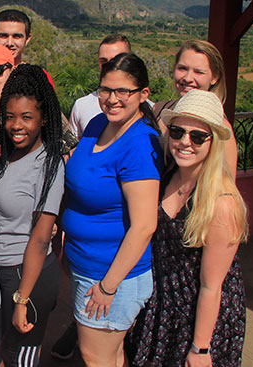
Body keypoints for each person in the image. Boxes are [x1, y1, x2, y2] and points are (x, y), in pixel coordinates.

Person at [127, 89, 248, 366]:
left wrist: (201, 348)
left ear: (213, 143)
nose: (185, 142)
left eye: (197, 136)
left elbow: (211, 286)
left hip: (199, 317)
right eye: (178, 132)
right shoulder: (168, 175)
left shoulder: (221, 203)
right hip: (164, 305)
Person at [62, 53, 162, 366]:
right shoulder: (97, 124)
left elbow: (144, 225)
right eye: (106, 90)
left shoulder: (139, 145)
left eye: (123, 92)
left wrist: (108, 286)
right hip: (86, 264)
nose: (112, 99)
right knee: (112, 354)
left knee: (95, 357)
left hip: (111, 276)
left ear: (143, 95)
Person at [0, 64, 65, 367]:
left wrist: (22, 300)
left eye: (27, 117)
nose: (17, 125)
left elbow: (41, 238)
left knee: (22, 358)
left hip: (28, 276)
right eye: (10, 117)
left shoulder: (49, 165)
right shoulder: (7, 158)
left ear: (43, 120)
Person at [153, 39, 238, 178]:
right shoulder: (160, 109)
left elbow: (226, 185)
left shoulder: (220, 128)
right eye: (183, 68)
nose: (188, 78)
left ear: (214, 77)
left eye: (198, 72)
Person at [69, 34, 132, 139]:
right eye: (103, 61)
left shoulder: (149, 110)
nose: (109, 66)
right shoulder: (81, 106)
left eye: (116, 60)